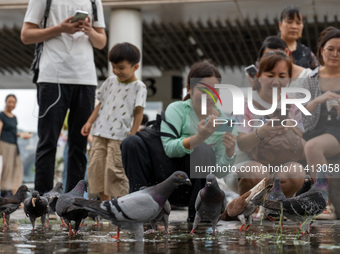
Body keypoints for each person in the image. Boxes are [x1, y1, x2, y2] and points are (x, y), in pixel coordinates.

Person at [121, 60, 237, 222]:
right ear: (189, 89)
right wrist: (199, 137)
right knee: (131, 142)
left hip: (194, 190)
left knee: (203, 150)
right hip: (162, 181)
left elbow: (218, 172)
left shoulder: (224, 122)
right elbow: (169, 148)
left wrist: (230, 153)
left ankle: (199, 218)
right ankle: (138, 210)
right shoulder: (177, 109)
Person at [21, 0, 107, 194]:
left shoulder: (94, 1)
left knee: (79, 145)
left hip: (85, 78)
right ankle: (42, 201)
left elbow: (101, 42)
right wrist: (60, 28)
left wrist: (89, 30)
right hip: (52, 76)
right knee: (48, 142)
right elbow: (26, 35)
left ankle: (73, 203)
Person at [81, 43, 147, 201]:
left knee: (115, 171)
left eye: (121, 68)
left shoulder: (139, 87)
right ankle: (106, 206)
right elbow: (101, 104)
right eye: (114, 67)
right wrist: (89, 122)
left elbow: (139, 113)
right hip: (99, 132)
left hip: (120, 136)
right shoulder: (110, 81)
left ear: (135, 67)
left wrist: (132, 134)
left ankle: (121, 205)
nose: (117, 71)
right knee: (97, 169)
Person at [236, 50, 306, 197]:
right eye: (270, 75)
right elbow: (242, 144)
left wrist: (290, 127)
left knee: (297, 172)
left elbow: (303, 146)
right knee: (256, 173)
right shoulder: (246, 104)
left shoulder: (293, 104)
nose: (276, 81)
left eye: (282, 76)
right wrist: (261, 133)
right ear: (258, 76)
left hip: (282, 163)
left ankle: (275, 207)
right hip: (250, 164)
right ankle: (249, 210)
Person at [299, 27, 340, 220]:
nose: (335, 54)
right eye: (330, 49)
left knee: (313, 147)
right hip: (313, 129)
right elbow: (303, 118)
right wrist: (318, 100)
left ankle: (325, 204)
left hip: (335, 132)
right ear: (321, 51)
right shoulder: (310, 79)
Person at [0, 95, 32, 197]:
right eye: (9, 102)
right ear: (5, 102)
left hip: (14, 146)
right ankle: (5, 194)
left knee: (17, 171)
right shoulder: (1, 115)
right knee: (7, 170)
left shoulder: (14, 118)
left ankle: (15, 195)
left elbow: (13, 132)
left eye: (13, 102)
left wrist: (22, 135)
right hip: (5, 145)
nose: (11, 104)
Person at [279, 5, 318, 69]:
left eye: (298, 23)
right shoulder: (270, 48)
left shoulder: (306, 52)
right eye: (289, 22)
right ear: (280, 25)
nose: (294, 26)